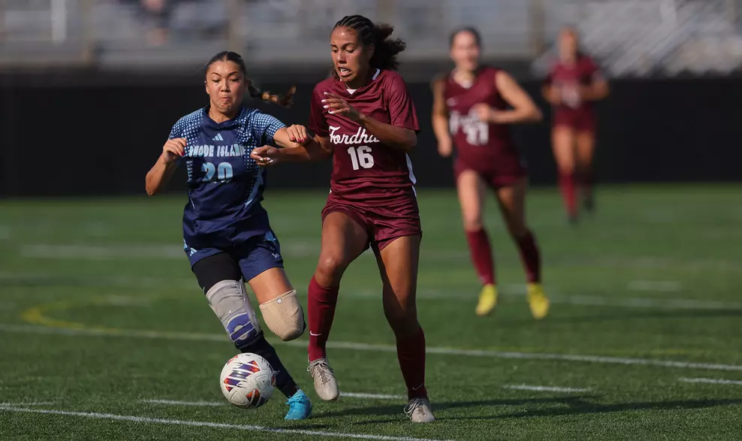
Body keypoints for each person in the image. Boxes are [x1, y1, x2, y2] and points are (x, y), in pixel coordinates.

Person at [251, 15, 435, 423]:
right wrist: (279, 155)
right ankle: (317, 356)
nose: (340, 57)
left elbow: (408, 138)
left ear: (368, 51)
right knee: (330, 263)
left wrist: (360, 117)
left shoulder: (390, 85)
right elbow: (320, 147)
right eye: (334, 50)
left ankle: (417, 395)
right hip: (347, 201)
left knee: (401, 312)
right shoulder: (323, 92)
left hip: (395, 206)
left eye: (348, 49)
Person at [144, 51, 313, 420]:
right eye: (217, 79)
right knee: (243, 332)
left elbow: (299, 146)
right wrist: (165, 159)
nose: (225, 86)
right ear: (206, 85)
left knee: (289, 327)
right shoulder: (187, 126)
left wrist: (295, 138)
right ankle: (295, 395)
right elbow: (152, 187)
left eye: (233, 78)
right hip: (206, 244)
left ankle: (311, 359)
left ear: (244, 84)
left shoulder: (256, 121)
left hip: (251, 238)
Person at [432, 27, 550, 319]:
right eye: (462, 47)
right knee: (472, 217)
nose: (468, 53)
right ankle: (488, 285)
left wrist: (499, 115)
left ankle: (534, 284)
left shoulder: (496, 78)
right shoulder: (444, 84)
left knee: (517, 227)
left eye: (472, 46)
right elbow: (439, 114)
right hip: (470, 164)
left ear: (480, 49)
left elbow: (533, 112)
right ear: (452, 53)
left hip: (505, 165)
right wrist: (444, 138)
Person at [543, 27, 609, 224]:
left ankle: (587, 192)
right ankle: (571, 208)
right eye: (565, 43)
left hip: (585, 119)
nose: (569, 46)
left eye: (572, 42)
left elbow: (602, 89)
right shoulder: (555, 66)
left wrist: (582, 92)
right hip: (563, 120)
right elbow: (547, 90)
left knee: (584, 163)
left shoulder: (588, 65)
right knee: (567, 164)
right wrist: (555, 95)